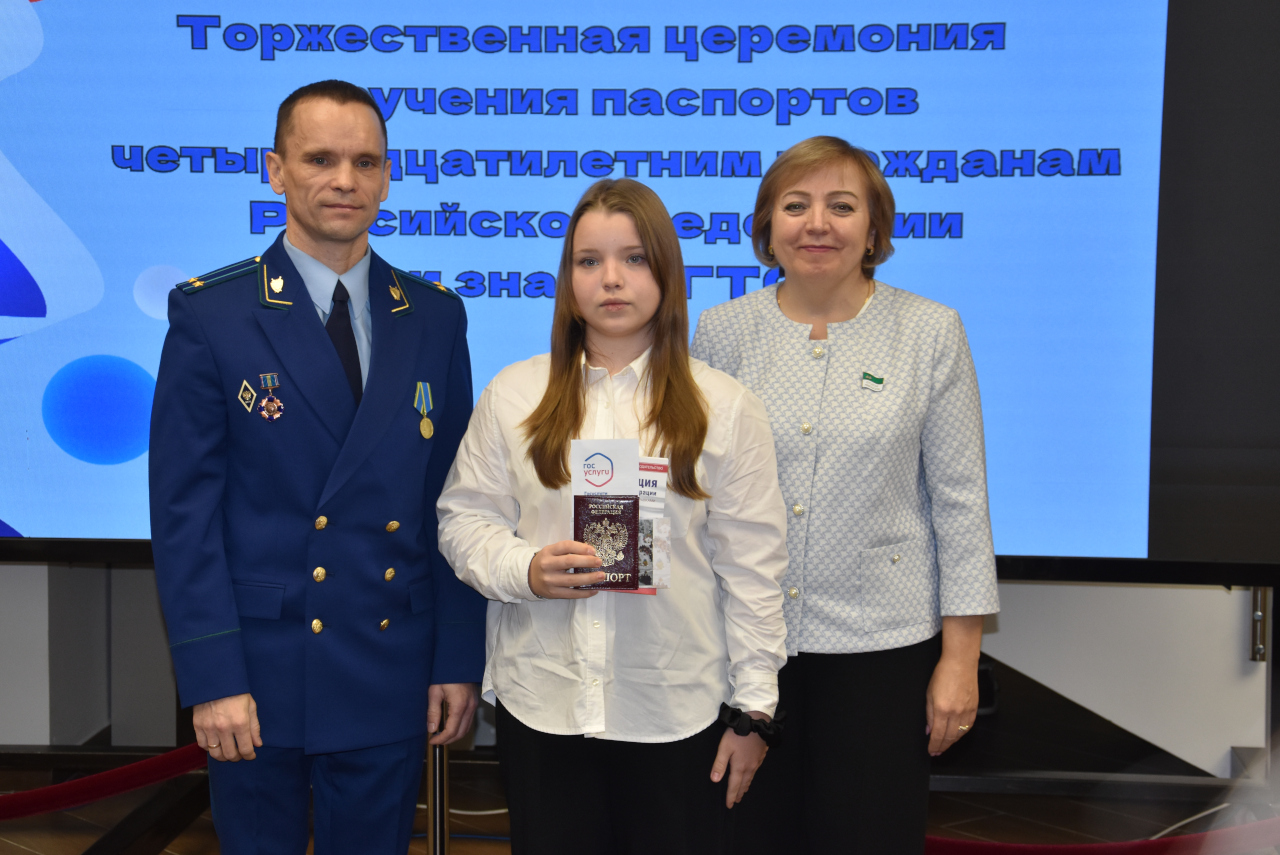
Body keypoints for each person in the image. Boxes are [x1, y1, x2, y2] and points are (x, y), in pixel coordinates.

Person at [149, 79, 486, 855]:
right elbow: (185, 517)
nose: (345, 180)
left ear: (387, 178)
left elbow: (451, 503)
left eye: (365, 162)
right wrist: (212, 677)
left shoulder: (434, 316)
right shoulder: (212, 314)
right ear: (276, 171)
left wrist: (456, 656)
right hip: (259, 672)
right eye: (320, 159)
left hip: (388, 663)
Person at [437, 178, 789, 855]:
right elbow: (463, 521)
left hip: (676, 710)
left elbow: (754, 568)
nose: (611, 279)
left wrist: (755, 709)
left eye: (634, 258)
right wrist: (525, 569)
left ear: (667, 272)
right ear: (568, 278)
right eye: (589, 260)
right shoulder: (514, 393)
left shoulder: (725, 407)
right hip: (544, 705)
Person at [691, 135, 1001, 854]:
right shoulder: (722, 333)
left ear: (873, 227)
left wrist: (961, 661)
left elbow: (961, 503)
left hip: (882, 654)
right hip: (746, 646)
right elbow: (695, 492)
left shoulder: (930, 332)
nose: (817, 224)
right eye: (795, 205)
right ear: (767, 226)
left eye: (841, 205)